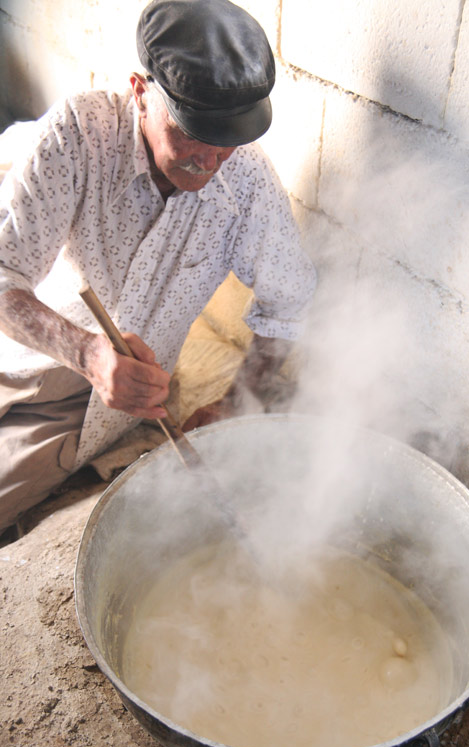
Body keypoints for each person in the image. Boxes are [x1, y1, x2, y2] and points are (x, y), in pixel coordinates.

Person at [0, 0, 317, 538]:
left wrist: (238, 401)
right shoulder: (80, 133)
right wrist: (88, 352)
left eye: (228, 143)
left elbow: (290, 304)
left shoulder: (247, 184)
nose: (210, 161)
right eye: (191, 133)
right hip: (35, 342)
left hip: (80, 402)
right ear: (140, 90)